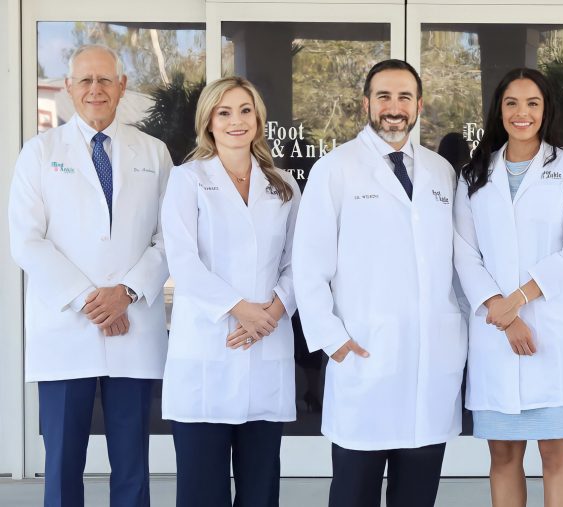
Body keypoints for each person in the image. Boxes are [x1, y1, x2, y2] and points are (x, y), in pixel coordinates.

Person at [292, 59, 466, 507]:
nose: (394, 107)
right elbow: (308, 264)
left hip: (430, 361)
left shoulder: (441, 172)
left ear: (419, 105)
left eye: (404, 97)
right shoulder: (335, 169)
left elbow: (458, 263)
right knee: (354, 493)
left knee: (417, 495)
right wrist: (331, 339)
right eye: (384, 96)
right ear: (366, 103)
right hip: (363, 355)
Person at [8, 44, 172, 507]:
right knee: (62, 464)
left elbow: (171, 237)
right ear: (68, 87)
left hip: (132, 324)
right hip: (66, 328)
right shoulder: (39, 153)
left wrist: (126, 292)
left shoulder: (154, 152)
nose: (95, 89)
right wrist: (89, 299)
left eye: (105, 80)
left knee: (132, 463)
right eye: (85, 80)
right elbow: (26, 241)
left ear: (122, 86)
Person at [454, 68, 563, 507]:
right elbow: (464, 252)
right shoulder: (475, 173)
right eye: (512, 103)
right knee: (503, 454)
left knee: (556, 452)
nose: (522, 113)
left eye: (532, 103)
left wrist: (516, 301)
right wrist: (502, 312)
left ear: (545, 109)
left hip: (552, 334)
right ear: (499, 110)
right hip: (496, 335)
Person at [160, 76, 300, 507]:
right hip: (208, 348)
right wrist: (241, 310)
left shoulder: (284, 184)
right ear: (209, 122)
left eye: (245, 110)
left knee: (260, 492)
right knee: (202, 493)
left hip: (266, 343)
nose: (236, 121)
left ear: (258, 118)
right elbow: (183, 261)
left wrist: (272, 313)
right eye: (224, 112)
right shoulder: (187, 179)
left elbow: (298, 261)